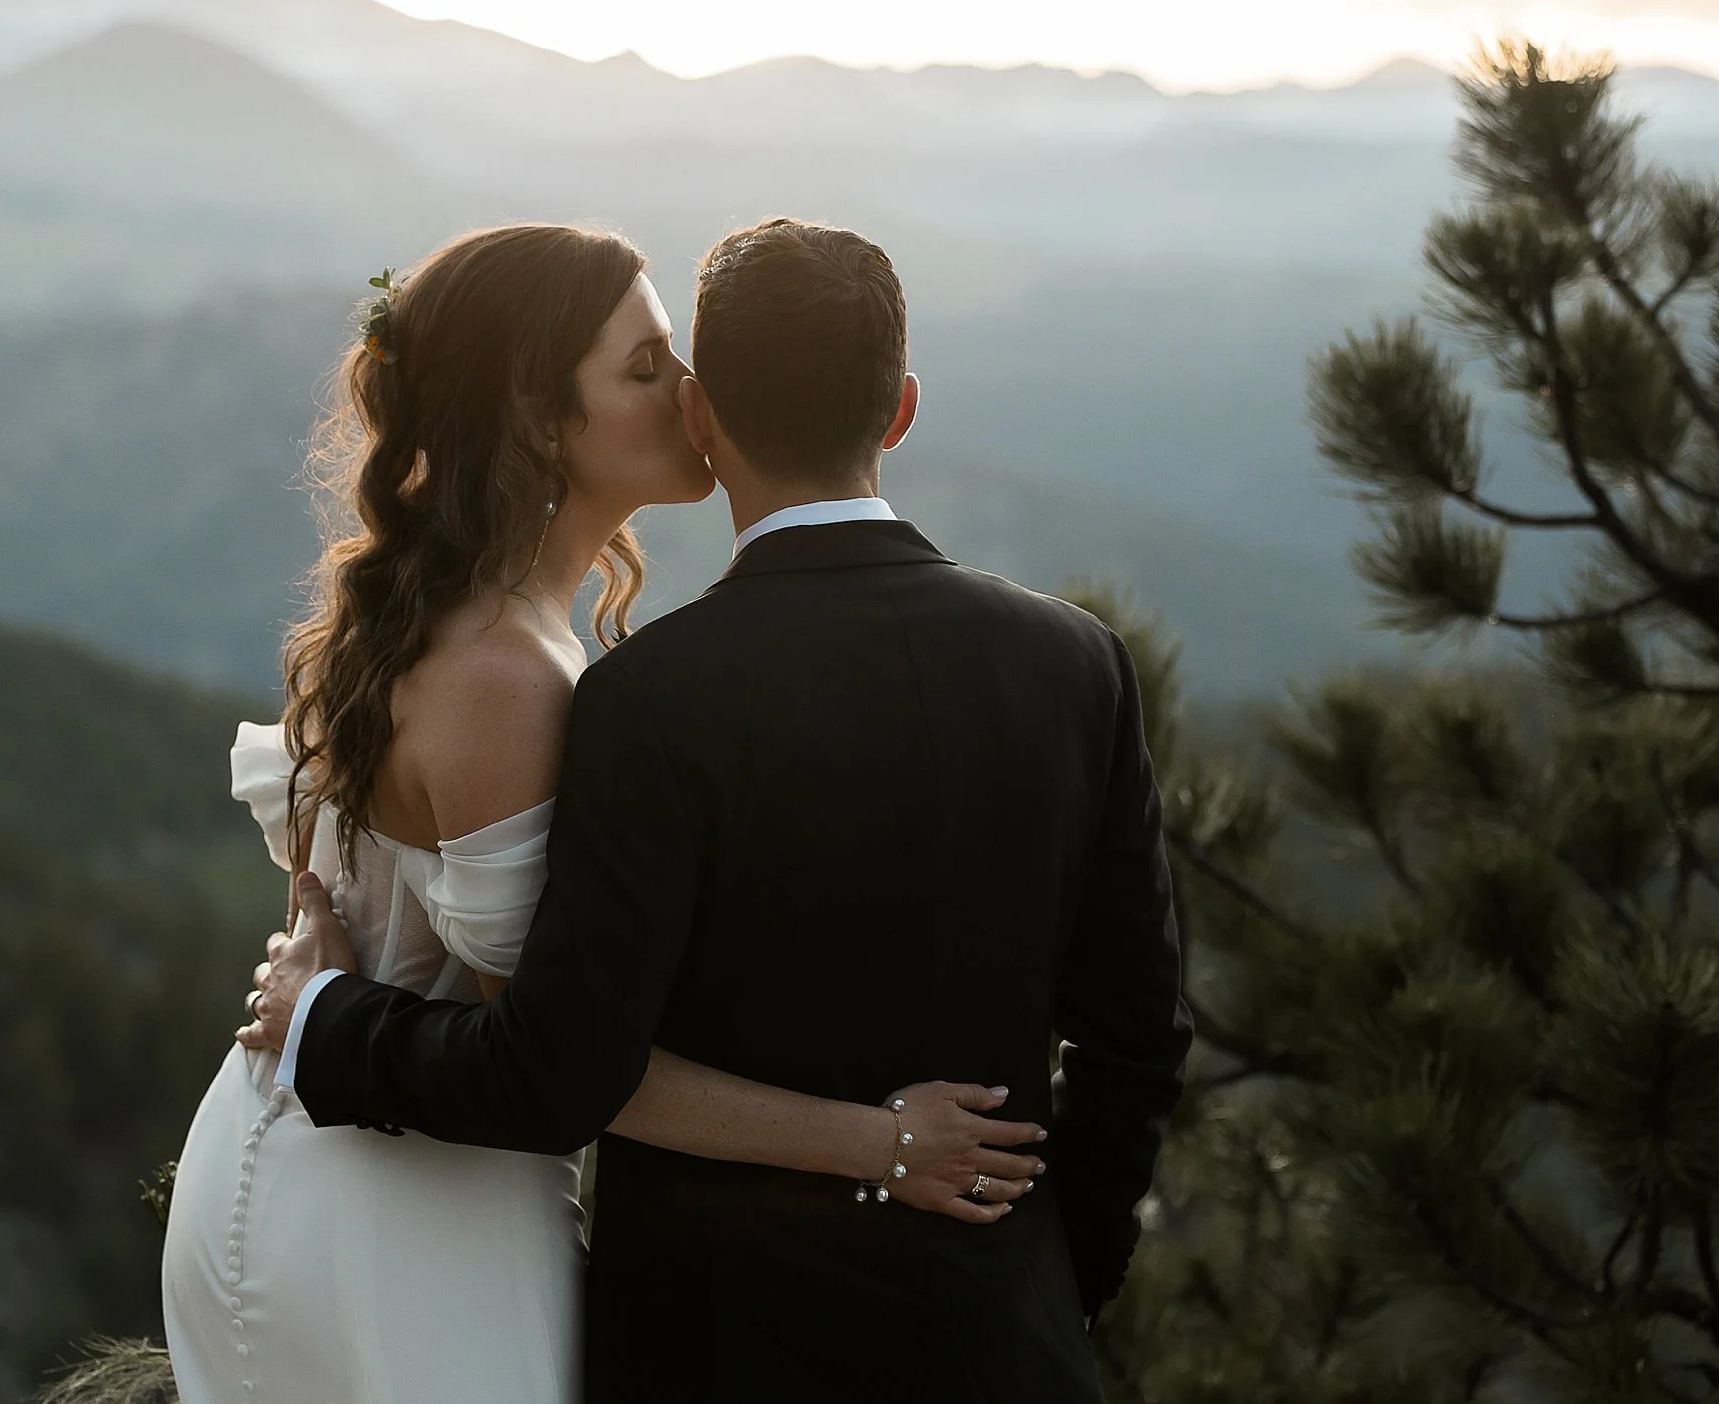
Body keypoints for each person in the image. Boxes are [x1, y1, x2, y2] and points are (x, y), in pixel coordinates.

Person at [247, 218, 1194, 1402]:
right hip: (1006, 1344)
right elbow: (1138, 1036)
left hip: (710, 1349)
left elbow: (561, 1066)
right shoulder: (1079, 663)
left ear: (702, 414)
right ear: (900, 409)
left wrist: (329, 1019)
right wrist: (1053, 1277)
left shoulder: (646, 701)